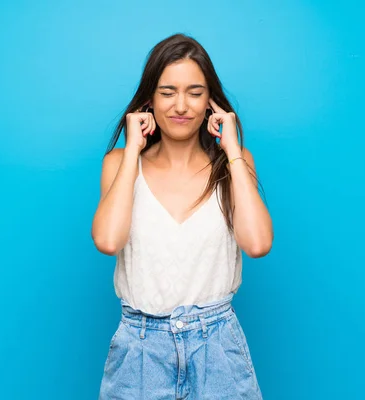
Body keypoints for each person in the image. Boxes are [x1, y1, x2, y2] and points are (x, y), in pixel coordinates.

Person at [92, 33, 273, 399]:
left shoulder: (235, 165)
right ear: (148, 101)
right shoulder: (118, 165)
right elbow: (108, 241)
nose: (181, 105)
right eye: (167, 91)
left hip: (218, 348)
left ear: (210, 102)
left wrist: (233, 150)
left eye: (194, 92)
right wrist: (132, 152)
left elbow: (257, 244)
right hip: (139, 351)